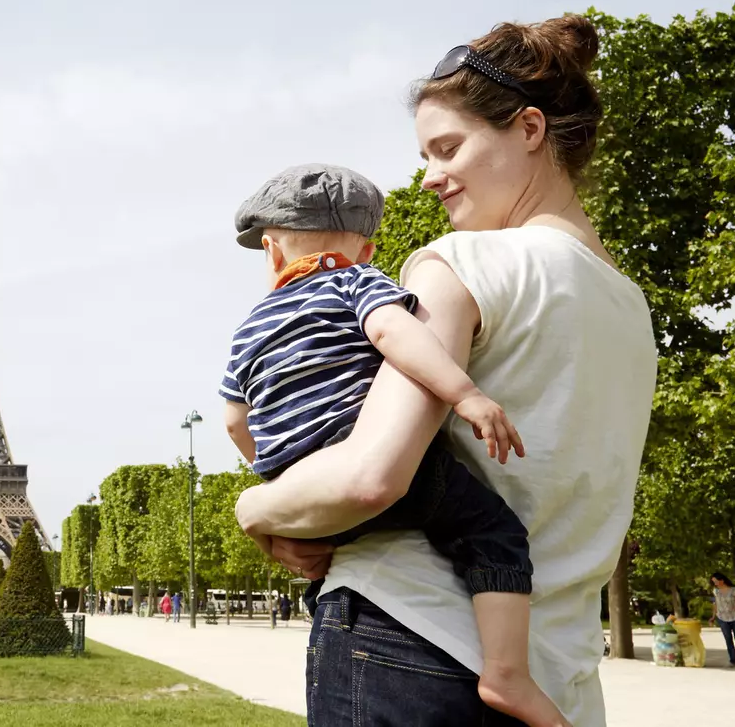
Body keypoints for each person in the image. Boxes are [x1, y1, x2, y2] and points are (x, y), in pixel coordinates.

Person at [235, 15, 657, 727]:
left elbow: (372, 476)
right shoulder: (631, 307)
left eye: (447, 148)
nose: (429, 178)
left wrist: (255, 510)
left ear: (528, 130)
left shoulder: (460, 265)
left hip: (410, 635)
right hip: (557, 677)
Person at [222, 162, 554, 724]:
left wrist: (287, 484)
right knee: (492, 533)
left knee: (326, 573)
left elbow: (235, 421)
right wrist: (465, 393)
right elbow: (396, 335)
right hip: (373, 460)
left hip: (310, 493)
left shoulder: (248, 327)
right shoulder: (354, 280)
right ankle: (508, 672)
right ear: (369, 249)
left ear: (273, 253)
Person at [711, 572, 735, 667]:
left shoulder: (734, 590)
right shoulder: (716, 591)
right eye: (713, 582)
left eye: (716, 581)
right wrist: (713, 616)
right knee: (728, 639)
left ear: (722, 580)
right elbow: (716, 604)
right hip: (722, 618)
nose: (715, 583)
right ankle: (733, 660)